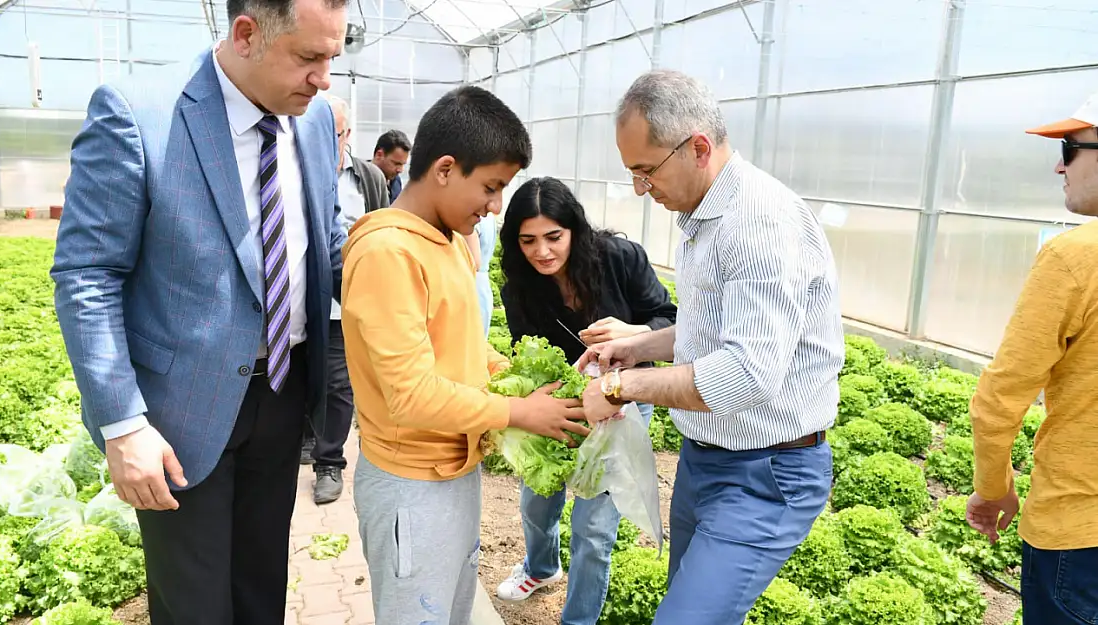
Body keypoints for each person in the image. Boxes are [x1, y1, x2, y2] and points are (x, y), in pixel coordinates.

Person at [49, 0, 349, 620]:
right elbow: (87, 276)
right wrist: (122, 424)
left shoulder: (314, 121)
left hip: (285, 389)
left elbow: (326, 238)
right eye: (309, 57)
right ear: (246, 34)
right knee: (195, 606)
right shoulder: (140, 113)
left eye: (332, 58)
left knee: (262, 589)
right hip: (179, 414)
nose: (324, 79)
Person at [574, 69, 842, 625]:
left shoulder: (758, 222)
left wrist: (622, 386)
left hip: (768, 472)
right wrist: (640, 346)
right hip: (707, 459)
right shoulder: (707, 214)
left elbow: (746, 373)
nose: (641, 190)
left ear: (697, 147)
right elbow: (713, 331)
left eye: (646, 171)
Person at [339, 86, 591, 625]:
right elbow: (408, 394)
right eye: (492, 186)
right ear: (446, 168)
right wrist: (519, 412)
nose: (496, 204)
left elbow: (465, 347)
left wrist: (515, 377)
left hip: (453, 471)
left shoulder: (448, 238)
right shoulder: (388, 251)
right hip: (412, 484)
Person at [494, 176, 677, 624]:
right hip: (561, 402)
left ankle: (577, 620)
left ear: (574, 229)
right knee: (539, 497)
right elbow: (528, 351)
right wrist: (563, 387)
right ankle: (541, 568)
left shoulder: (620, 258)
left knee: (594, 530)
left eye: (554, 237)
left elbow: (669, 320)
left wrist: (633, 334)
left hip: (623, 401)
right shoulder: (518, 285)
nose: (542, 252)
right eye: (528, 240)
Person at [966, 93, 1098, 625]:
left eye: (1071, 148)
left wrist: (993, 490)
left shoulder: (1076, 257)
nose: (1059, 164)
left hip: (1080, 530)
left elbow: (998, 401)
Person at [295, 94, 392, 504]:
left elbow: (382, 229)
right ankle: (302, 439)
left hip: (342, 303)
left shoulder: (368, 178)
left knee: (339, 385)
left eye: (333, 134)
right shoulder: (294, 168)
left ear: (346, 134)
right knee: (299, 376)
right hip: (298, 303)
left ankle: (329, 463)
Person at [372, 129, 411, 203]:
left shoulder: (396, 181)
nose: (400, 170)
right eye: (396, 163)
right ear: (379, 155)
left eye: (402, 164)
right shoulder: (360, 180)